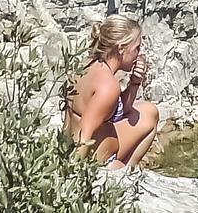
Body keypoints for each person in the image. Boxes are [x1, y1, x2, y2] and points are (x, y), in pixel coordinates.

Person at [67, 15, 160, 168]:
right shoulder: (108, 86)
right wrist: (71, 174)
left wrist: (135, 82)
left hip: (82, 144)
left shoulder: (87, 65)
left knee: (149, 112)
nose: (138, 53)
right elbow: (84, 134)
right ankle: (123, 173)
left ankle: (127, 168)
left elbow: (119, 110)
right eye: (136, 48)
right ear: (121, 49)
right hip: (98, 161)